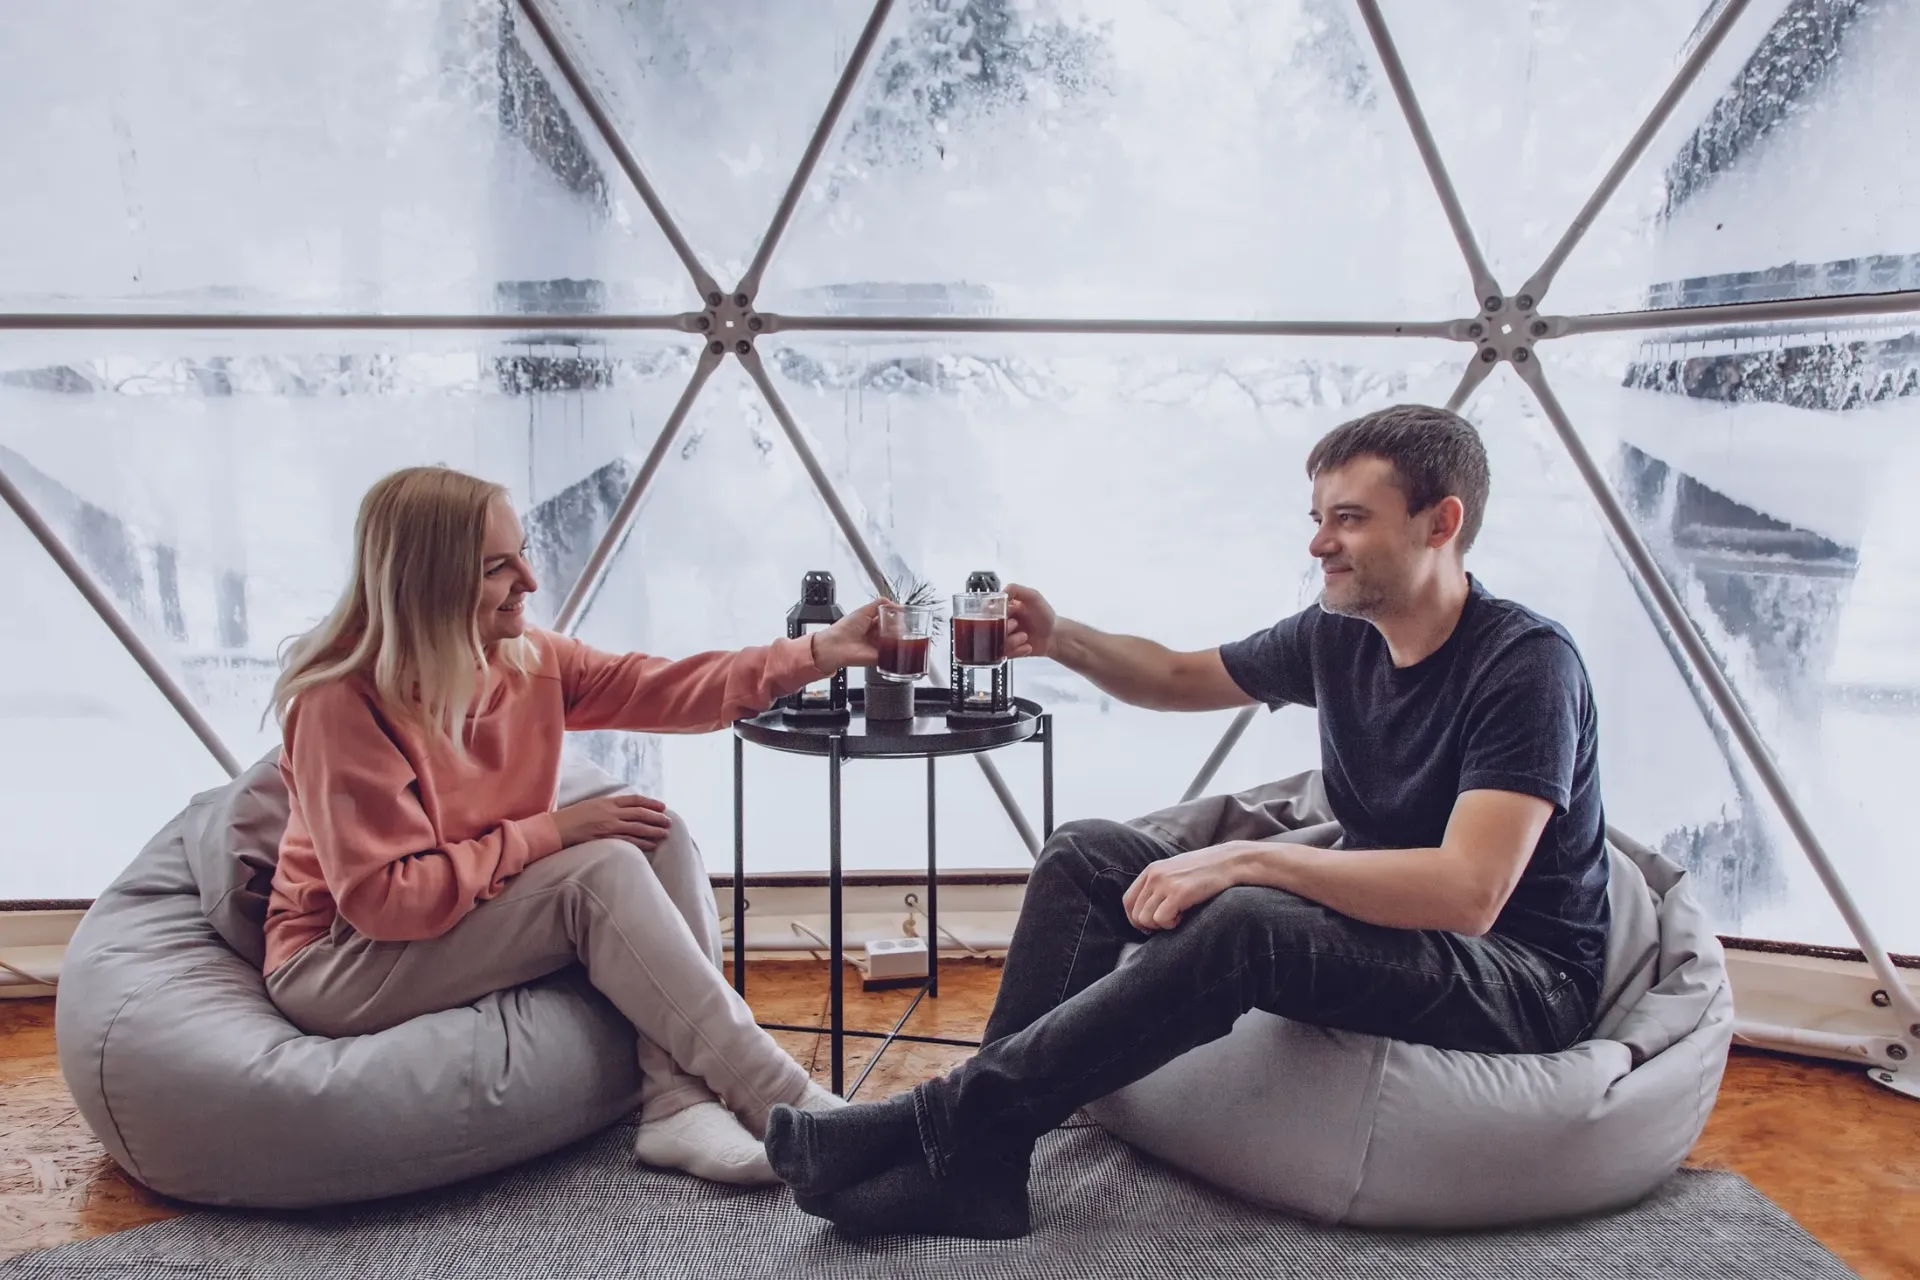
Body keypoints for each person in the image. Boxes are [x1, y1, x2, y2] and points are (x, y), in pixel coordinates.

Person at [765, 403, 1612, 1238]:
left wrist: (1252, 861)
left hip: (1521, 975)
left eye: (1349, 519)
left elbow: (1469, 893)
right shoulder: (1340, 636)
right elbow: (1176, 677)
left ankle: (938, 1123)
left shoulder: (1525, 666)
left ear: (1442, 522)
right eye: (1318, 518)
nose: (1319, 543)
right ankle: (986, 1164)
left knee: (1249, 920)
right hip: (1391, 924)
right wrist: (1061, 638)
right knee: (1084, 851)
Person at [262, 465, 878, 1186]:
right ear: (424, 582)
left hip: (455, 913)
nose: (529, 577)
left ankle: (676, 1105)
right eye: (497, 567)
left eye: (523, 551)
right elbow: (384, 900)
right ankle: (789, 1102)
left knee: (657, 833)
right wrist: (552, 832)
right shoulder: (344, 700)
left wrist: (814, 654)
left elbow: (667, 686)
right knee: (601, 868)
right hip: (343, 961)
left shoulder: (525, 662)